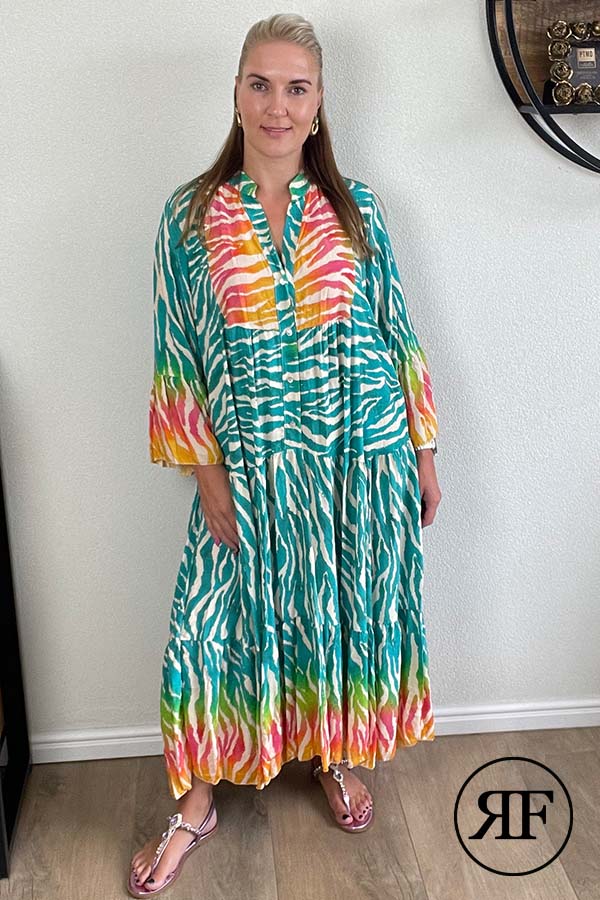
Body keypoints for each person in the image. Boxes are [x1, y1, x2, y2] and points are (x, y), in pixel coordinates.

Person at [129, 11, 441, 897]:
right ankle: (196, 802)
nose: (277, 105)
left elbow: (396, 331)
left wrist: (422, 451)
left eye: (296, 88)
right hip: (252, 469)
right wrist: (206, 472)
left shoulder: (357, 207)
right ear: (235, 92)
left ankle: (334, 753)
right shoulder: (190, 215)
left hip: (358, 459)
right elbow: (176, 356)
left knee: (339, 613)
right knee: (207, 628)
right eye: (260, 84)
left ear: (319, 101)